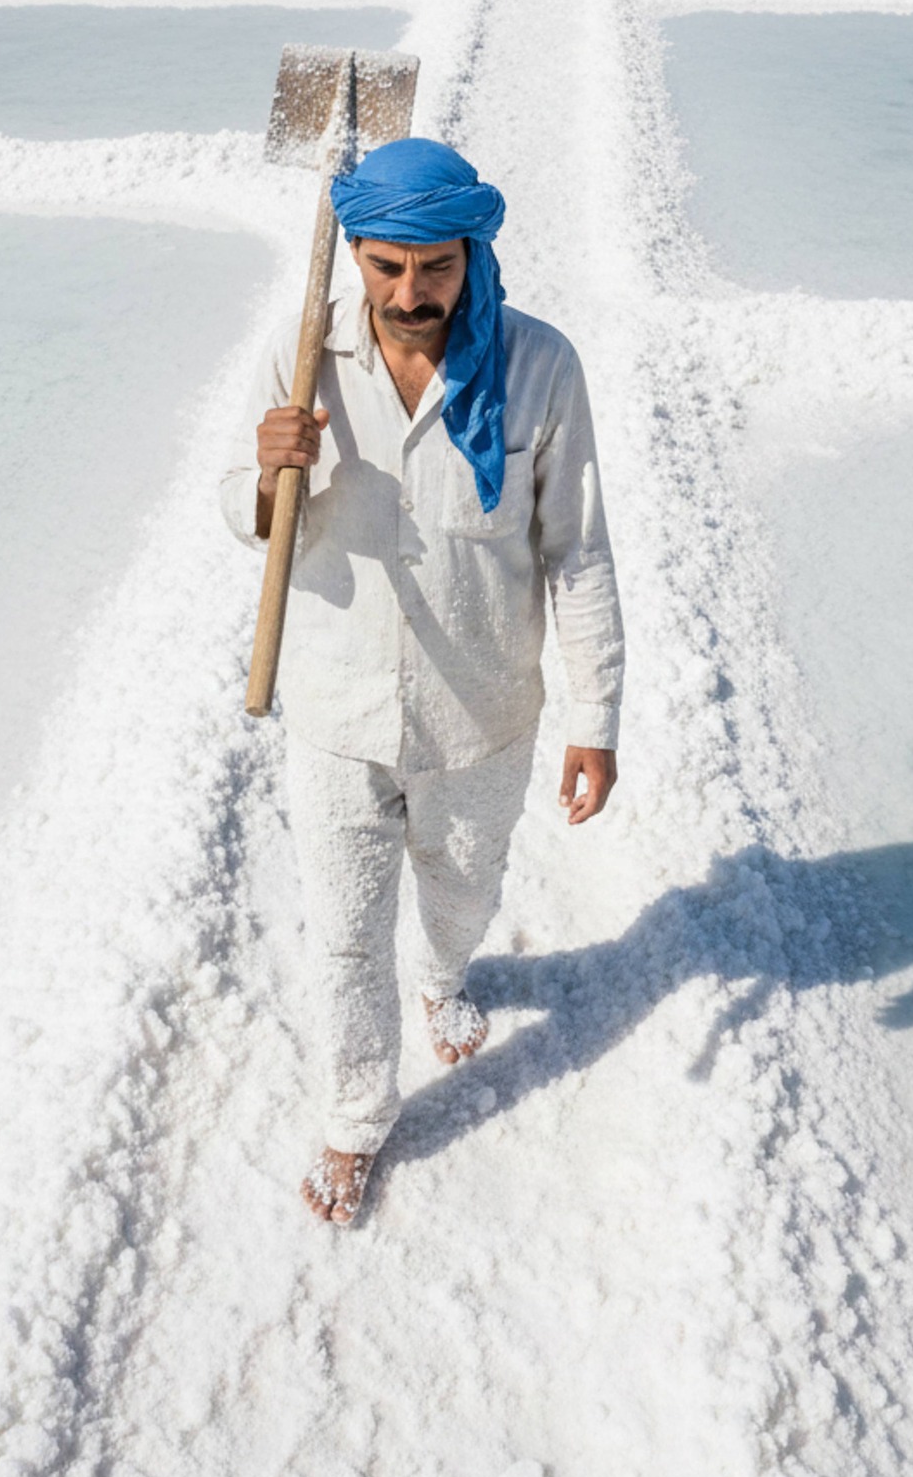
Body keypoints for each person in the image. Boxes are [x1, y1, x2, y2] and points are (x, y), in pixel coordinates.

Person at [221, 137, 624, 1225]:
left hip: (482, 713)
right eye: (387, 265)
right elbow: (240, 517)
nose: (411, 293)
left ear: (472, 249)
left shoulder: (541, 366)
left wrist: (596, 715)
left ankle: (443, 978)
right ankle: (355, 1118)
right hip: (337, 708)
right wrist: (268, 474)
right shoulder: (303, 355)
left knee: (459, 896)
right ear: (353, 250)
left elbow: (575, 550)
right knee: (345, 933)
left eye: (435, 266)